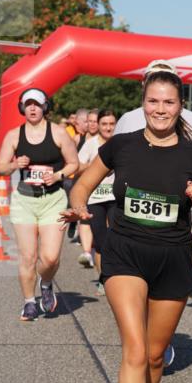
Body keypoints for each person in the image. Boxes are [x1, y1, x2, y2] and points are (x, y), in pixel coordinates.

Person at [60, 68, 192, 383]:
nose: (160, 109)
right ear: (142, 103)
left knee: (152, 357)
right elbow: (83, 183)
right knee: (133, 347)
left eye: (169, 102)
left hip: (173, 257)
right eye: (153, 101)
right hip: (125, 253)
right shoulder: (121, 146)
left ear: (180, 106)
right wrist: (79, 206)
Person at [0, 88, 79, 321]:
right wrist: (14, 164)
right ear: (22, 107)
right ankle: (29, 302)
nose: (32, 108)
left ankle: (47, 282)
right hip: (24, 200)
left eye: (37, 104)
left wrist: (59, 175)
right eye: (28, 104)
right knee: (28, 256)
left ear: (45, 107)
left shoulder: (59, 133)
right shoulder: (14, 135)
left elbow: (74, 163)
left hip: (53, 199)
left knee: (50, 257)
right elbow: (0, 166)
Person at [76, 109, 118, 294]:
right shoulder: (91, 144)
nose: (108, 127)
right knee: (100, 242)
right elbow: (76, 169)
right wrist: (96, 165)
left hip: (116, 197)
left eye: (111, 124)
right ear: (98, 126)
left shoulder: (121, 143)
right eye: (104, 124)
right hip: (96, 197)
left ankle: (117, 276)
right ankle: (103, 278)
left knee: (117, 238)